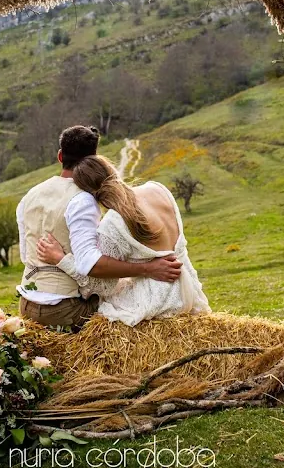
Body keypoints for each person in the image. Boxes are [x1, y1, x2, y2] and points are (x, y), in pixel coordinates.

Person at [16, 126, 183, 329]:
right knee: (124, 301)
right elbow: (91, 264)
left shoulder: (29, 196)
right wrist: (147, 269)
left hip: (26, 304)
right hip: (65, 308)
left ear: (60, 156)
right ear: (94, 158)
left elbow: (26, 255)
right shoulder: (82, 199)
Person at [35, 154, 210, 326]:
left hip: (159, 302)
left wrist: (60, 259)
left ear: (88, 194)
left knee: (101, 306)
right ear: (113, 171)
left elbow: (101, 286)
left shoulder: (114, 222)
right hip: (190, 290)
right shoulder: (158, 189)